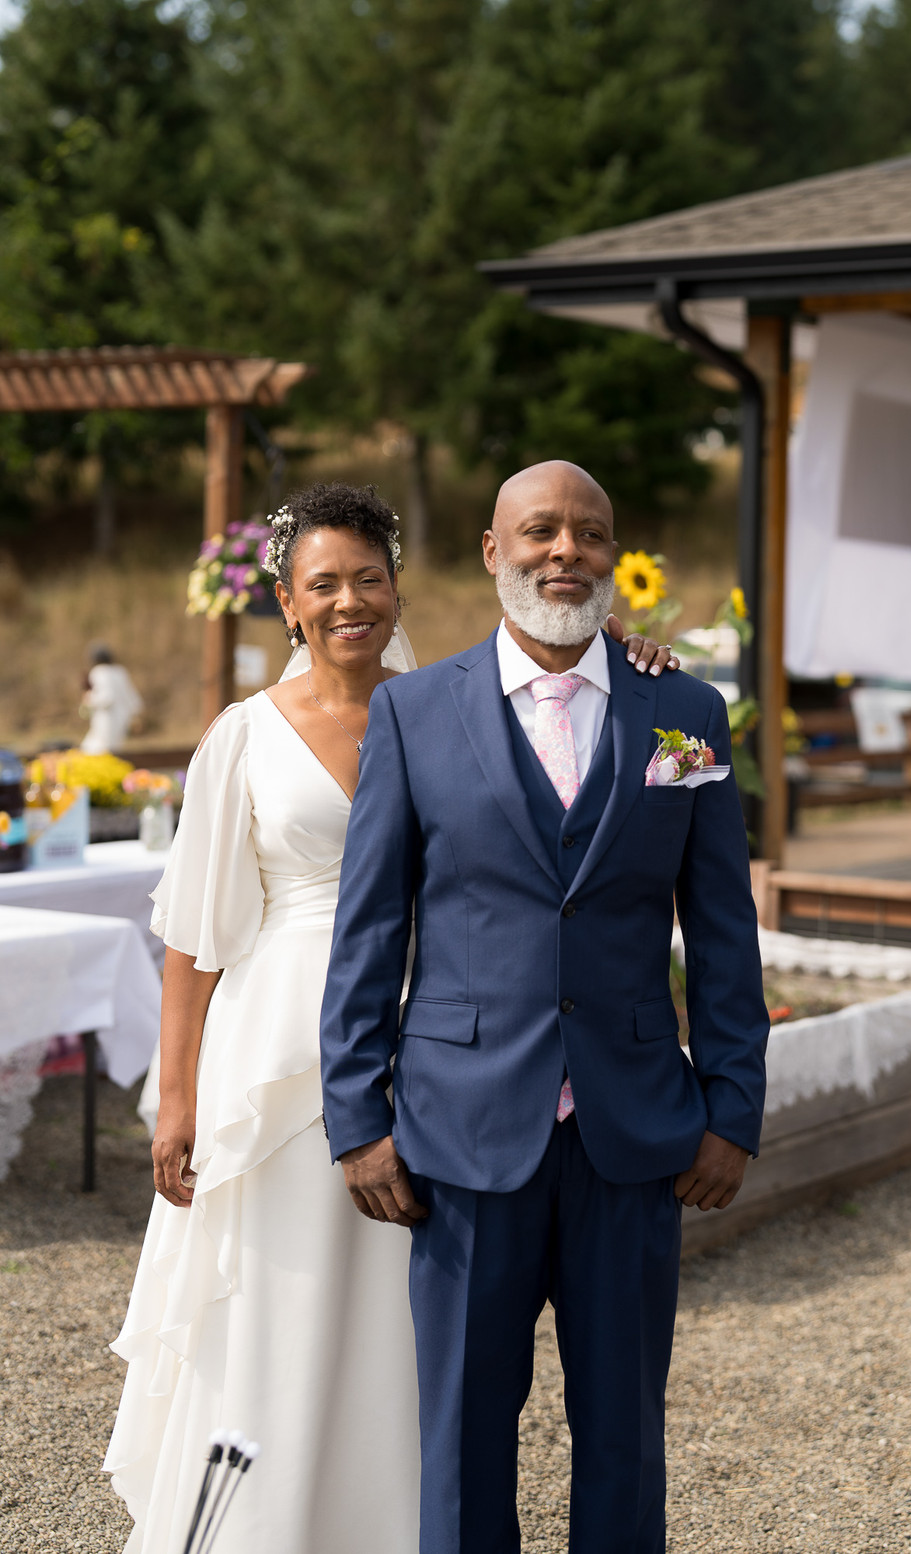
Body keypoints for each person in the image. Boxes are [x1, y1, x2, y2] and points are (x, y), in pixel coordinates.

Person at [104, 477, 674, 1554]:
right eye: (324, 583)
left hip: (443, 1068)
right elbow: (191, 936)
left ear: (402, 587)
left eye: (369, 579)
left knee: (405, 1342)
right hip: (280, 1053)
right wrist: (174, 1099)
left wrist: (626, 652)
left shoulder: (449, 704)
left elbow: (551, 663)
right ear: (287, 600)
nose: (350, 600)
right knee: (282, 1311)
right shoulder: (243, 735)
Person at [320, 460, 768, 1554]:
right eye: (538, 531)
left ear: (613, 557)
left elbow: (718, 930)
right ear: (492, 551)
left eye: (588, 532)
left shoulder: (684, 711)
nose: (563, 550)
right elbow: (370, 928)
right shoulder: (413, 712)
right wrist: (357, 1117)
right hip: (460, 1133)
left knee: (623, 1434)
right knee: (465, 1435)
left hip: (634, 1131)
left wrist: (731, 1107)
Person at [80, 644, 143, 753]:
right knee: (112, 749)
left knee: (96, 750)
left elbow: (106, 698)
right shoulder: (120, 671)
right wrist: (135, 715)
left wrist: (89, 697)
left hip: (106, 719)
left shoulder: (98, 672)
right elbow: (132, 697)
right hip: (122, 718)